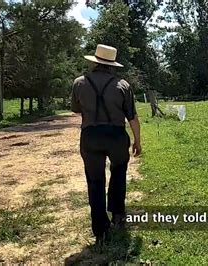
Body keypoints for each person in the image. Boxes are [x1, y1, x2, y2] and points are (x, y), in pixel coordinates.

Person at [71, 44, 141, 245]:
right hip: (116, 135)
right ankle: (118, 215)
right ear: (112, 65)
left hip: (90, 135)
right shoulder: (123, 85)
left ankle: (100, 229)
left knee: (95, 181)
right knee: (118, 173)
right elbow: (133, 118)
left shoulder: (79, 83)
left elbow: (76, 110)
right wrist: (137, 141)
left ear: (94, 62)